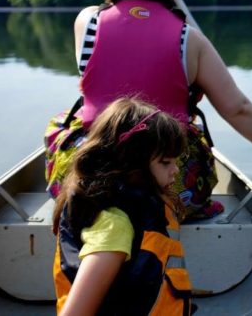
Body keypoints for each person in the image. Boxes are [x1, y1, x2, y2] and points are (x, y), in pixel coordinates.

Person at [45, 0, 252, 219]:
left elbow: (126, 33)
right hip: (171, 180)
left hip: (91, 173)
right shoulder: (190, 39)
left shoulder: (87, 21)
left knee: (62, 123)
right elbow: (237, 108)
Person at [52, 97, 194, 315]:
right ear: (131, 162)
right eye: (166, 162)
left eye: (175, 161)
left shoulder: (136, 206)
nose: (175, 170)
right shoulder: (114, 225)